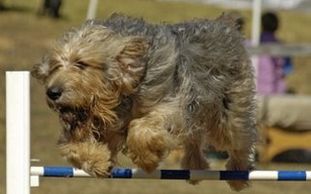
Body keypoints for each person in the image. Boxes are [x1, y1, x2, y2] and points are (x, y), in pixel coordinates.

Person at [257, 11, 294, 95]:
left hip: (255, 90)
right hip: (276, 90)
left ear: (262, 24)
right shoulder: (282, 46)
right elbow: (288, 69)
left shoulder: (252, 44)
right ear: (277, 26)